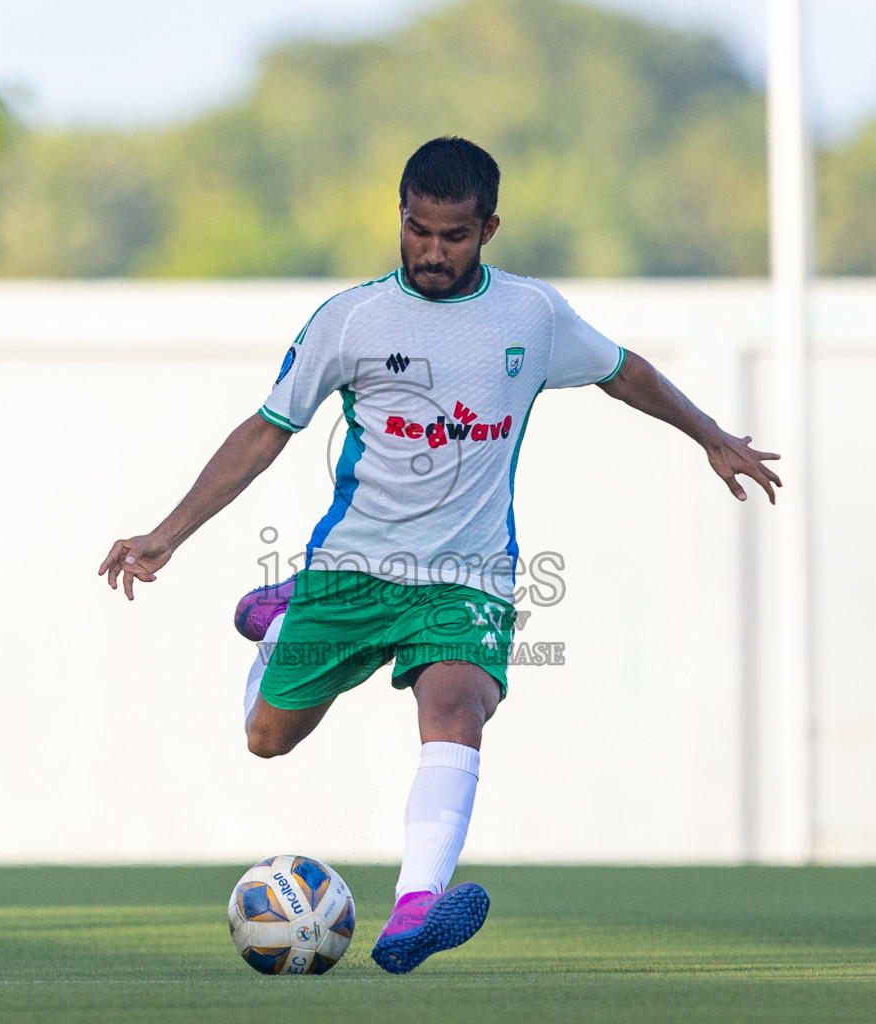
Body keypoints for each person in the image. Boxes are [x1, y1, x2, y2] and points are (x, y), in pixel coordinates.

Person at [99, 137, 780, 974]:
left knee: (457, 710)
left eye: (453, 236)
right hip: (350, 572)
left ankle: (414, 908)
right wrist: (168, 532)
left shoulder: (532, 315)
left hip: (468, 576)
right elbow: (268, 430)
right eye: (417, 230)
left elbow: (622, 370)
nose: (431, 251)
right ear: (401, 214)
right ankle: (282, 621)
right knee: (268, 739)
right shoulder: (352, 319)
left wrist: (709, 435)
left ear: (488, 229)